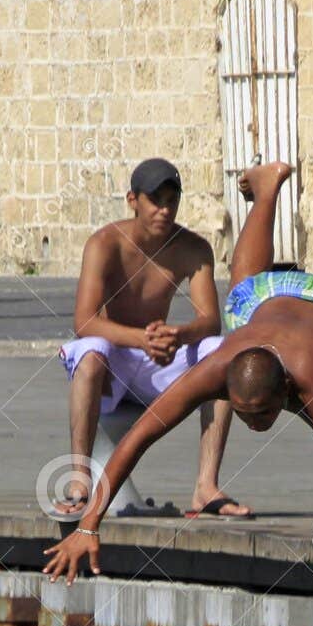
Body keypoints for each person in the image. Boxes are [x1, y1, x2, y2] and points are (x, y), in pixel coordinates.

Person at [43, 161, 313, 626]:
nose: (253, 424)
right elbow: (139, 436)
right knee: (243, 289)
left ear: (286, 391)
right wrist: (89, 524)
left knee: (268, 296)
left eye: (263, 414)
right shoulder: (220, 366)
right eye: (243, 414)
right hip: (269, 305)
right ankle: (268, 193)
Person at [59, 158, 250, 519]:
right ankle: (80, 478)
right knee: (90, 351)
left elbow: (210, 321)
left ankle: (205, 486)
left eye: (170, 201)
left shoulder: (193, 248)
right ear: (132, 200)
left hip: (157, 360)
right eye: (154, 200)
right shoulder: (104, 243)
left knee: (222, 352)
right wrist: (140, 339)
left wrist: (177, 335)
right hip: (113, 364)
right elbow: (84, 322)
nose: (164, 210)